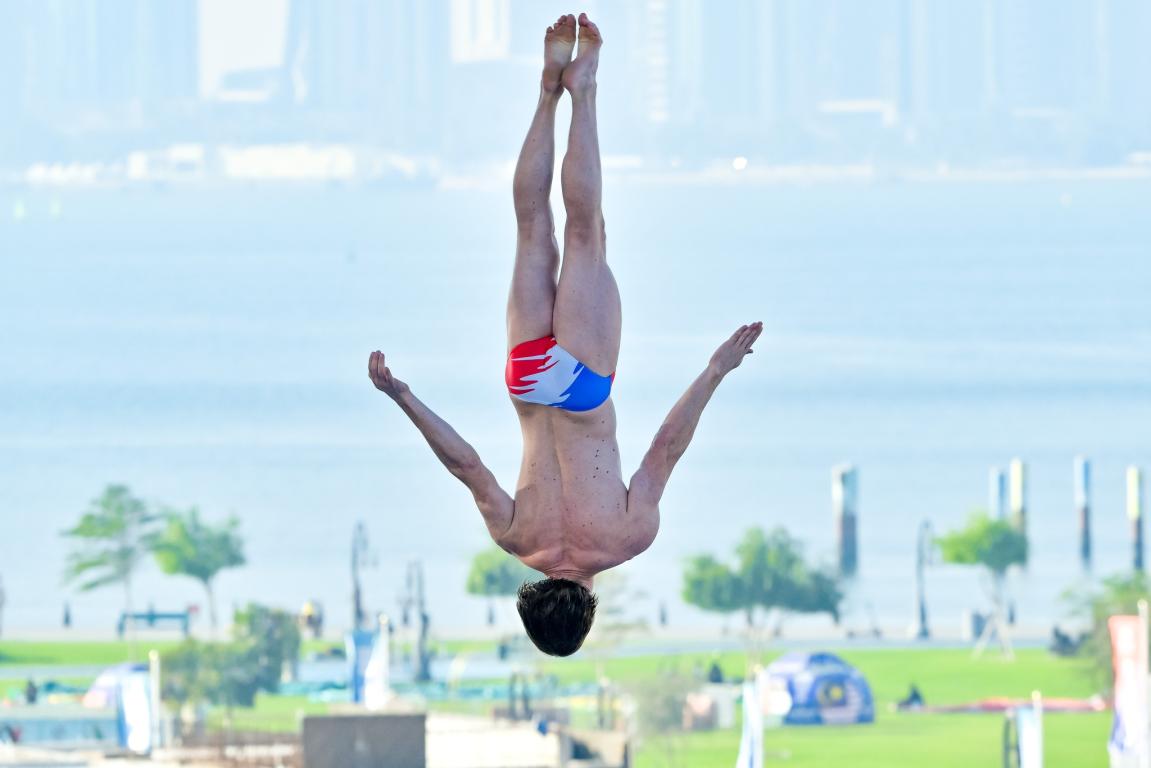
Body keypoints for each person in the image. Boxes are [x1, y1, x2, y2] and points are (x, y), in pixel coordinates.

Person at [368, 13, 762, 657]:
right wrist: (402, 395)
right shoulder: (513, 537)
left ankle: (585, 87)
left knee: (586, 231)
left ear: (584, 613)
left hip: (582, 387)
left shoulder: (626, 540)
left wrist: (717, 368)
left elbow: (666, 448)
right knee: (531, 227)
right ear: (532, 609)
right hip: (527, 382)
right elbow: (465, 462)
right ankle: (548, 88)